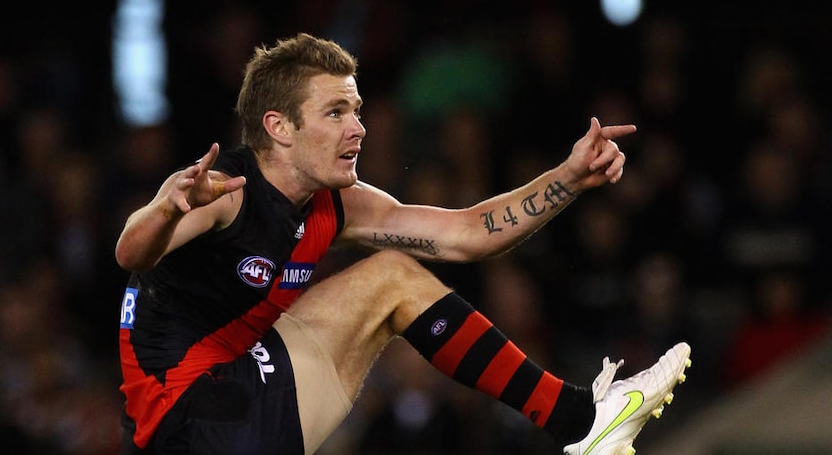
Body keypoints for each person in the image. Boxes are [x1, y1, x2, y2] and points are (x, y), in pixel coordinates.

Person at [115, 32, 691, 455]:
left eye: (357, 110)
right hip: (188, 421)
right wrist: (166, 207)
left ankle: (579, 422)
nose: (358, 128)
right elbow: (130, 254)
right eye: (335, 111)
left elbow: (465, 236)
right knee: (389, 279)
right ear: (279, 127)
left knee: (397, 281)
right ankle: (580, 422)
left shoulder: (337, 203)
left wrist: (565, 180)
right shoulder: (225, 193)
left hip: (236, 397)